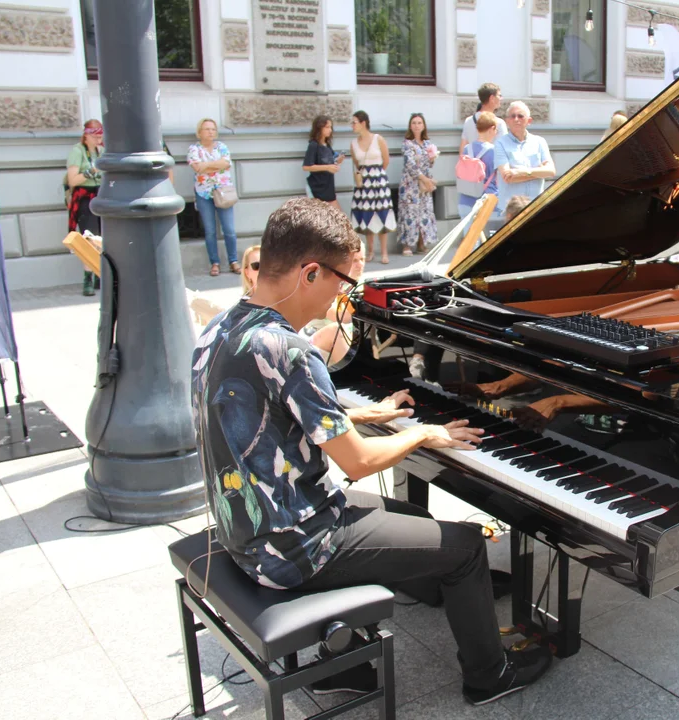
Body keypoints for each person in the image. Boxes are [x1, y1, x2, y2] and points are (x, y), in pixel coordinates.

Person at [191, 197, 553, 703]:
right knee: (468, 546)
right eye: (344, 279)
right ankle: (489, 676)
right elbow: (357, 463)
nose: (346, 294)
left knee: (407, 513)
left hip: (246, 529)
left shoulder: (223, 327)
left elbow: (271, 416)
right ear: (309, 272)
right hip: (295, 546)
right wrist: (424, 433)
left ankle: (352, 662)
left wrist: (363, 414)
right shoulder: (292, 350)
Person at [188, 118, 239, 277]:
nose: (211, 132)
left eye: (213, 129)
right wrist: (216, 165)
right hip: (203, 193)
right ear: (200, 132)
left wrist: (206, 166)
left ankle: (233, 261)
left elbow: (226, 163)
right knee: (210, 231)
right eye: (207, 129)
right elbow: (196, 167)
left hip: (223, 192)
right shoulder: (194, 149)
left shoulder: (222, 147)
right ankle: (214, 263)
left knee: (229, 230)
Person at [349, 111, 396, 265]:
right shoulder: (353, 143)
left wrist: (377, 174)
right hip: (364, 182)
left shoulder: (378, 139)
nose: (352, 125)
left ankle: (384, 252)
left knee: (382, 213)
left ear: (363, 123)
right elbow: (356, 163)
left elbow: (386, 160)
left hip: (378, 181)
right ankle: (370, 252)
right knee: (367, 215)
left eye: (354, 122)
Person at [494, 101, 556, 214]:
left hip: (536, 207)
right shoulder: (500, 143)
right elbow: (508, 177)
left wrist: (523, 172)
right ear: (507, 121)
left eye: (521, 116)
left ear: (529, 121)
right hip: (511, 211)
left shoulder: (540, 142)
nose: (516, 119)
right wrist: (539, 172)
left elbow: (551, 171)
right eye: (512, 116)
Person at [66, 119, 104, 296]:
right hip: (84, 197)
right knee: (88, 237)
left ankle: (99, 275)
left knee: (102, 238)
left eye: (100, 136)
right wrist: (91, 171)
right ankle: (87, 279)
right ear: (86, 135)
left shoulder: (101, 151)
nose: (99, 140)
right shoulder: (77, 151)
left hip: (101, 195)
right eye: (95, 136)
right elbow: (72, 180)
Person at [399, 113, 439, 256]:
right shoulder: (407, 143)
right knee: (409, 212)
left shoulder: (428, 144)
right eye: (414, 123)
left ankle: (421, 243)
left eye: (419, 123)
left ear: (424, 126)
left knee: (424, 212)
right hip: (410, 184)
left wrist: (433, 158)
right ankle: (407, 245)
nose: (417, 125)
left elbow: (429, 164)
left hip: (424, 185)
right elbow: (409, 164)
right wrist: (423, 178)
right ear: (410, 125)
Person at [457, 111, 500, 219]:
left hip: (465, 201)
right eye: (496, 130)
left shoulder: (467, 149)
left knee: (469, 236)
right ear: (492, 129)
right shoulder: (495, 151)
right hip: (487, 203)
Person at [303, 115, 345, 212]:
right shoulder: (313, 145)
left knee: (337, 218)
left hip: (328, 187)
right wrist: (327, 167)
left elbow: (331, 162)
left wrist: (338, 160)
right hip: (317, 188)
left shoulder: (327, 145)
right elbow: (306, 166)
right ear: (319, 128)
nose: (330, 130)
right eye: (327, 127)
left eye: (331, 127)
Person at [459, 83, 507, 154]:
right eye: (499, 95)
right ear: (492, 98)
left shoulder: (468, 121)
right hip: (491, 164)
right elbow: (503, 150)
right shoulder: (499, 123)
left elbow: (462, 150)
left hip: (472, 164)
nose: (501, 98)